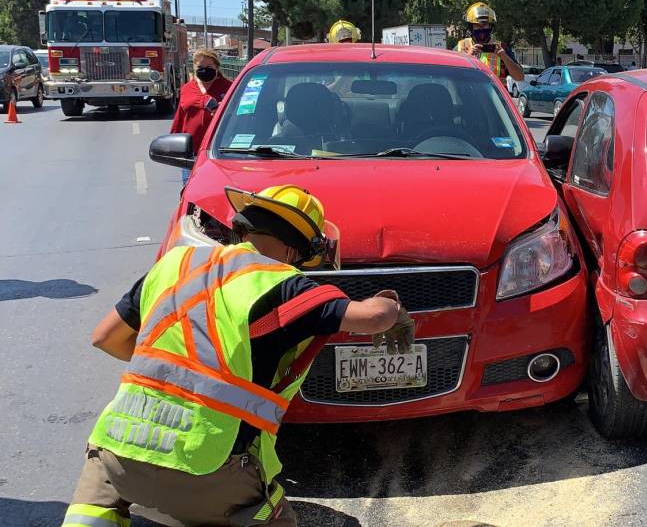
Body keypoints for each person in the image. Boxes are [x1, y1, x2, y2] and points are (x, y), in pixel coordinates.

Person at [63, 185, 413, 526]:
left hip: (119, 454)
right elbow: (372, 318)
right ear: (297, 252)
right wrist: (391, 304)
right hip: (208, 469)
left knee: (94, 501)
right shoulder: (283, 283)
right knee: (270, 516)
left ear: (242, 228)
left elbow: (105, 337)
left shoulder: (177, 262)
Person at [171, 49, 233, 185]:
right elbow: (180, 119)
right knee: (190, 191)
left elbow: (242, 118)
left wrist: (224, 112)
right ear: (194, 68)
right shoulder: (186, 89)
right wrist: (174, 146)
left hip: (221, 154)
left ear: (217, 68)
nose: (204, 71)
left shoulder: (231, 88)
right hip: (192, 156)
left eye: (209, 67)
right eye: (200, 67)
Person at [453, 2, 525, 82]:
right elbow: (449, 74)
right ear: (471, 27)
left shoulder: (502, 48)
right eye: (477, 26)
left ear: (491, 26)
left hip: (493, 94)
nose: (481, 29)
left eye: (485, 25)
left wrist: (504, 56)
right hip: (467, 94)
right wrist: (468, 57)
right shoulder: (461, 47)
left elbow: (520, 77)